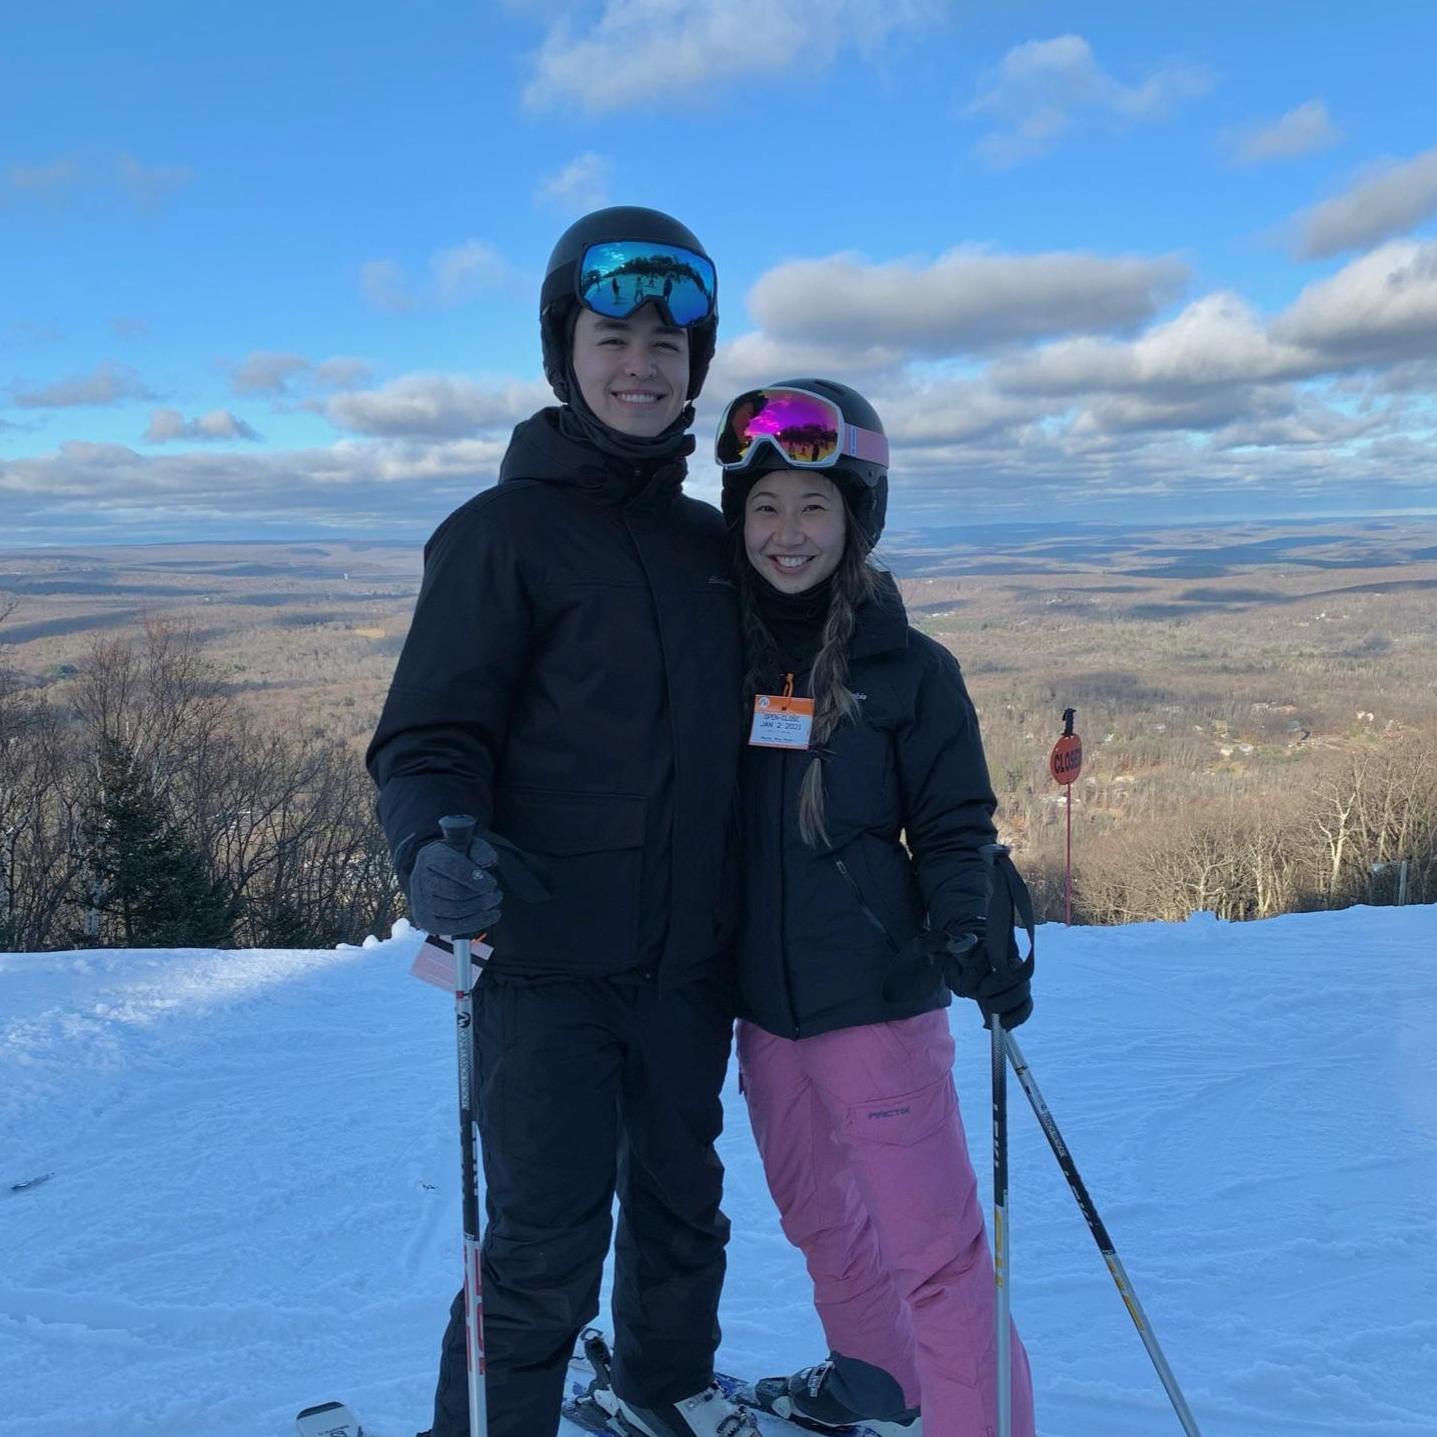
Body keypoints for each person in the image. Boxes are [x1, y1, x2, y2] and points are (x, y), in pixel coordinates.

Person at [366, 206, 759, 1437]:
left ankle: (664, 1395)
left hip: (687, 963)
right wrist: (433, 845)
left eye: (667, 343)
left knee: (685, 1215)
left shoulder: (712, 546)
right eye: (613, 338)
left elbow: (808, 691)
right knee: (543, 1244)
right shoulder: (500, 538)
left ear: (696, 363)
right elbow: (428, 740)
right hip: (542, 968)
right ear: (564, 353)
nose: (642, 364)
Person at [714, 379, 1038, 1437]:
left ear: (856, 517)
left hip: (877, 1012)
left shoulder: (910, 670)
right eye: (765, 506)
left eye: (813, 506)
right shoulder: (720, 661)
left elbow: (955, 826)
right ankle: (879, 1380)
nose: (787, 532)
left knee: (936, 1259)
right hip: (765, 1015)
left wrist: (965, 921)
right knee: (822, 1226)